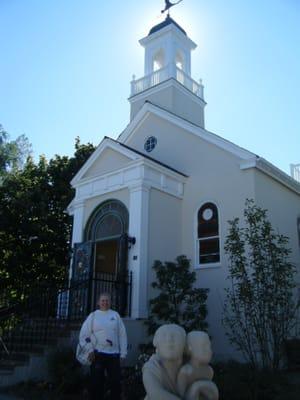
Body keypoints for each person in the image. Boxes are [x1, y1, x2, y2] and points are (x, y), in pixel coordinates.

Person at [78, 293, 127, 400]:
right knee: (96, 383)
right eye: (103, 300)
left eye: (107, 300)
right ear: (98, 302)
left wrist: (123, 354)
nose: (105, 302)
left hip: (114, 355)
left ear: (110, 302)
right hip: (97, 354)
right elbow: (84, 334)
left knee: (115, 383)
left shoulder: (115, 315)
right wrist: (89, 350)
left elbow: (122, 335)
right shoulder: (93, 316)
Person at [142, 324, 186, 400]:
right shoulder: (151, 367)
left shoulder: (189, 365)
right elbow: (155, 394)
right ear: (155, 343)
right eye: (164, 336)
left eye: (175, 336)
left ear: (184, 343)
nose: (169, 339)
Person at [177, 331, 218, 400]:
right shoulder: (186, 371)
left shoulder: (209, 370)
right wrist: (196, 387)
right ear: (190, 348)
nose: (208, 350)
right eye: (203, 346)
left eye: (209, 346)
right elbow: (180, 395)